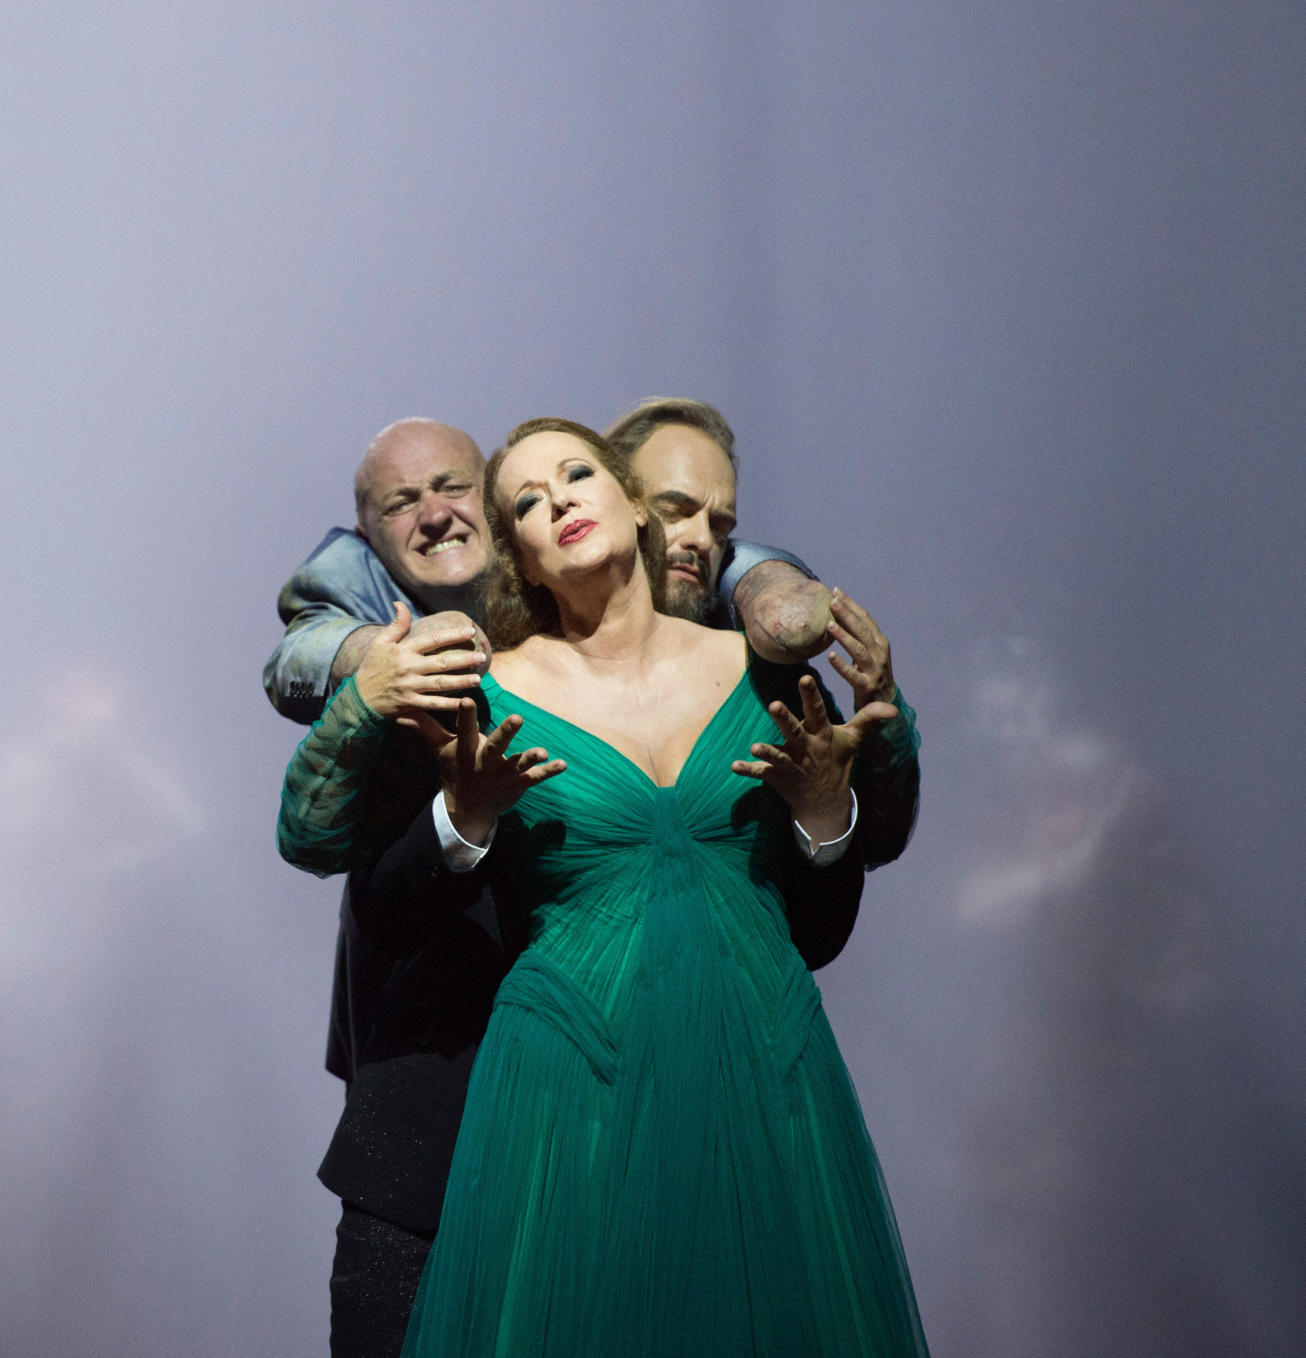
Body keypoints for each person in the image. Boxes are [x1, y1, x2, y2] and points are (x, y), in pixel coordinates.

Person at [265, 413, 917, 1357]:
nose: (558, 498)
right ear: (515, 555)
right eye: (526, 498)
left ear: (632, 506)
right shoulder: (453, 676)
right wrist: (454, 797)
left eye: (578, 476)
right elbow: (324, 829)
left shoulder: (756, 664)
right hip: (504, 1117)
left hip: (748, 1081)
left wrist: (827, 809)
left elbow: (816, 921)